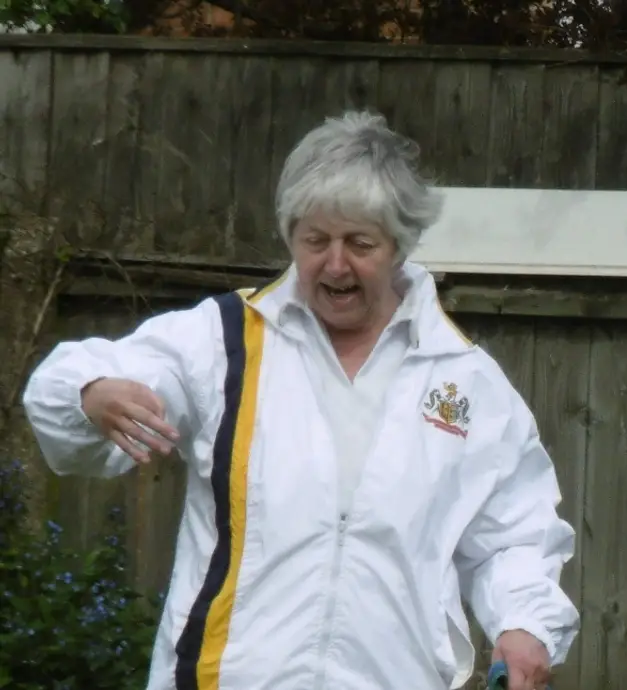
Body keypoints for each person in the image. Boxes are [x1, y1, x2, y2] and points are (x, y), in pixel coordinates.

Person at [20, 111, 577, 690]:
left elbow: (513, 533)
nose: (335, 264)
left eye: (360, 243)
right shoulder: (223, 340)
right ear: (290, 236)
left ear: (400, 246)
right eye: (315, 241)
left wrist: (524, 623)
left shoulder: (466, 382)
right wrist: (92, 394)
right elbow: (78, 382)